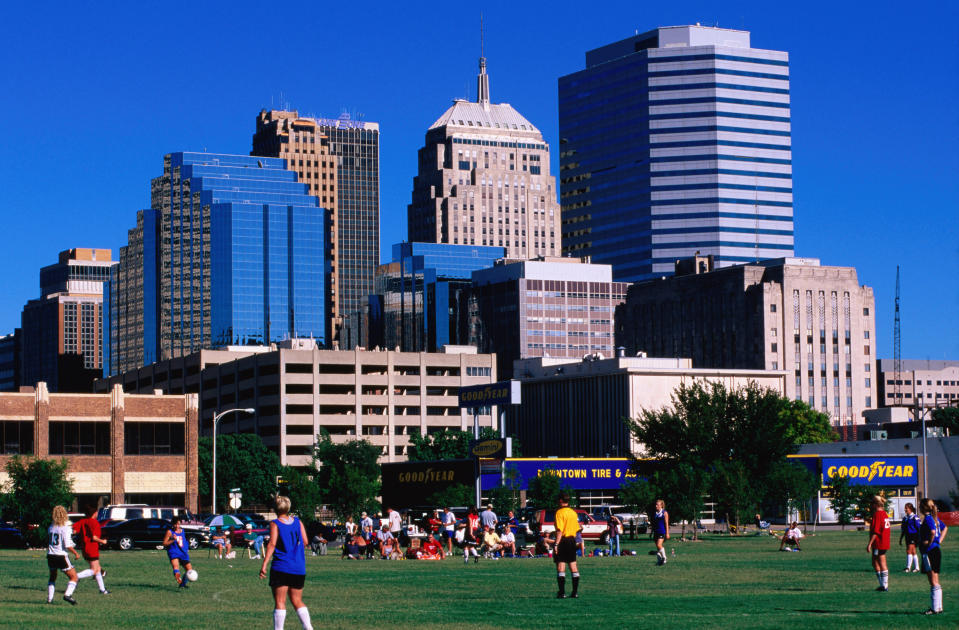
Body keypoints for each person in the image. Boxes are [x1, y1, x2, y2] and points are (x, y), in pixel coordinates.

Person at [259, 495, 313, 630]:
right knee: (297, 601)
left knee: (280, 602)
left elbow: (271, 544)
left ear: (274, 509)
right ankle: (308, 628)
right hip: (298, 567)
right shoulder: (298, 522)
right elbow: (306, 542)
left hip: (281, 567)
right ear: (288, 507)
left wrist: (264, 564)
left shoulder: (275, 523)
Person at [46, 505, 81, 604]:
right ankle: (68, 595)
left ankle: (49, 599)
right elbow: (67, 545)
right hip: (60, 556)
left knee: (52, 577)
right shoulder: (65, 528)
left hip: (50, 555)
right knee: (74, 577)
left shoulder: (51, 527)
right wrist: (76, 553)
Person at [918, 498, 948, 615]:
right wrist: (939, 541)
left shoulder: (928, 519)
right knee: (936, 580)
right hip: (936, 550)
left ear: (923, 507)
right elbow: (945, 528)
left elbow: (932, 532)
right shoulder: (935, 518)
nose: (919, 507)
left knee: (933, 581)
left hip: (930, 551)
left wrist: (929, 542)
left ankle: (934, 608)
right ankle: (939, 607)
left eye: (920, 505)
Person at [72, 504, 109, 594]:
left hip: (85, 548)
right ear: (94, 513)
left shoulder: (83, 521)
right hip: (92, 548)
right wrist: (102, 541)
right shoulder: (94, 522)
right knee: (95, 570)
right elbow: (94, 537)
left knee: (98, 569)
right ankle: (75, 577)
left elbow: (74, 531)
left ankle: (102, 590)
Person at [553, 493, 581, 598]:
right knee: (573, 565)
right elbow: (578, 528)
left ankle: (562, 592)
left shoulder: (559, 513)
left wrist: (556, 544)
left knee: (561, 566)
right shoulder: (573, 513)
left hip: (563, 540)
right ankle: (575, 592)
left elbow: (559, 531)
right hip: (572, 540)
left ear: (560, 501)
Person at [866, 495, 891, 592]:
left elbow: (876, 531)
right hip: (884, 541)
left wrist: (870, 543)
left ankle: (884, 585)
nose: (871, 505)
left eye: (872, 503)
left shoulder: (877, 514)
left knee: (880, 563)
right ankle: (883, 585)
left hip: (879, 542)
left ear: (876, 504)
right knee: (875, 562)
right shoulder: (884, 513)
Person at [162, 516, 194, 590]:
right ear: (172, 524)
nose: (177, 526)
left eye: (178, 524)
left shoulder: (182, 531)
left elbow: (184, 541)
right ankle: (178, 578)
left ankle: (182, 584)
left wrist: (186, 547)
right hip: (173, 552)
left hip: (183, 553)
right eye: (175, 524)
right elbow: (164, 543)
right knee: (176, 567)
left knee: (189, 570)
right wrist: (172, 539)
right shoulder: (169, 532)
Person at [899, 502, 922, 572]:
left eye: (906, 508)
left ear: (910, 509)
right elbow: (903, 529)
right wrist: (901, 538)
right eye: (905, 508)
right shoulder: (905, 518)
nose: (905, 510)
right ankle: (917, 567)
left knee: (909, 550)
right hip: (907, 536)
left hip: (914, 536)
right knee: (913, 551)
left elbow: (919, 528)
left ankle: (908, 567)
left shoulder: (915, 517)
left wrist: (920, 538)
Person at [652, 499, 670, 566]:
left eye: (658, 505)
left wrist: (667, 533)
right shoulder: (655, 513)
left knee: (659, 545)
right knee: (658, 547)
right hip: (656, 532)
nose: (656, 506)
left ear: (661, 505)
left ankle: (664, 558)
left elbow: (666, 523)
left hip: (662, 532)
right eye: (656, 504)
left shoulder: (664, 513)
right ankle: (659, 561)